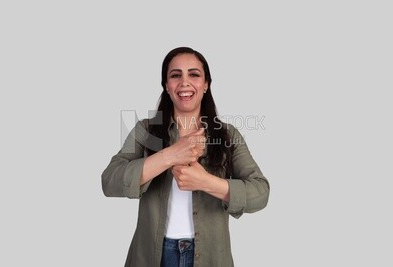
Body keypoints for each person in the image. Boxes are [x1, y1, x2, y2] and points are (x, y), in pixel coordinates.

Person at [101, 47, 270, 267]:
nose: (184, 82)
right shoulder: (146, 131)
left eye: (194, 74)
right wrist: (170, 155)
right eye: (175, 75)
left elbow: (260, 192)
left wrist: (206, 182)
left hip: (210, 257)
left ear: (206, 84)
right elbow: (109, 181)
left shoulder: (227, 135)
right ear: (166, 86)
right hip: (152, 256)